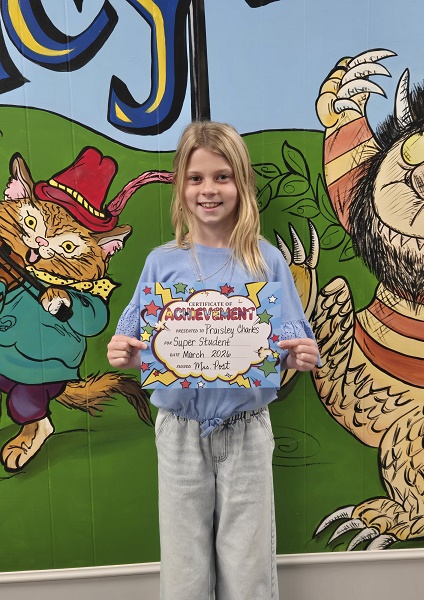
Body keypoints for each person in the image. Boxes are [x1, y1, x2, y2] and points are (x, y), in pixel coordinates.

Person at [107, 121, 320, 600]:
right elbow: (136, 342)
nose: (209, 190)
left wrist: (303, 355)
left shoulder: (267, 261)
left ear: (241, 183)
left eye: (222, 177)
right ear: (180, 187)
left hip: (247, 431)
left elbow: (293, 344)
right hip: (180, 432)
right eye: (196, 178)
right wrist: (125, 353)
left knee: (248, 570)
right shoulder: (161, 262)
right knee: (184, 572)